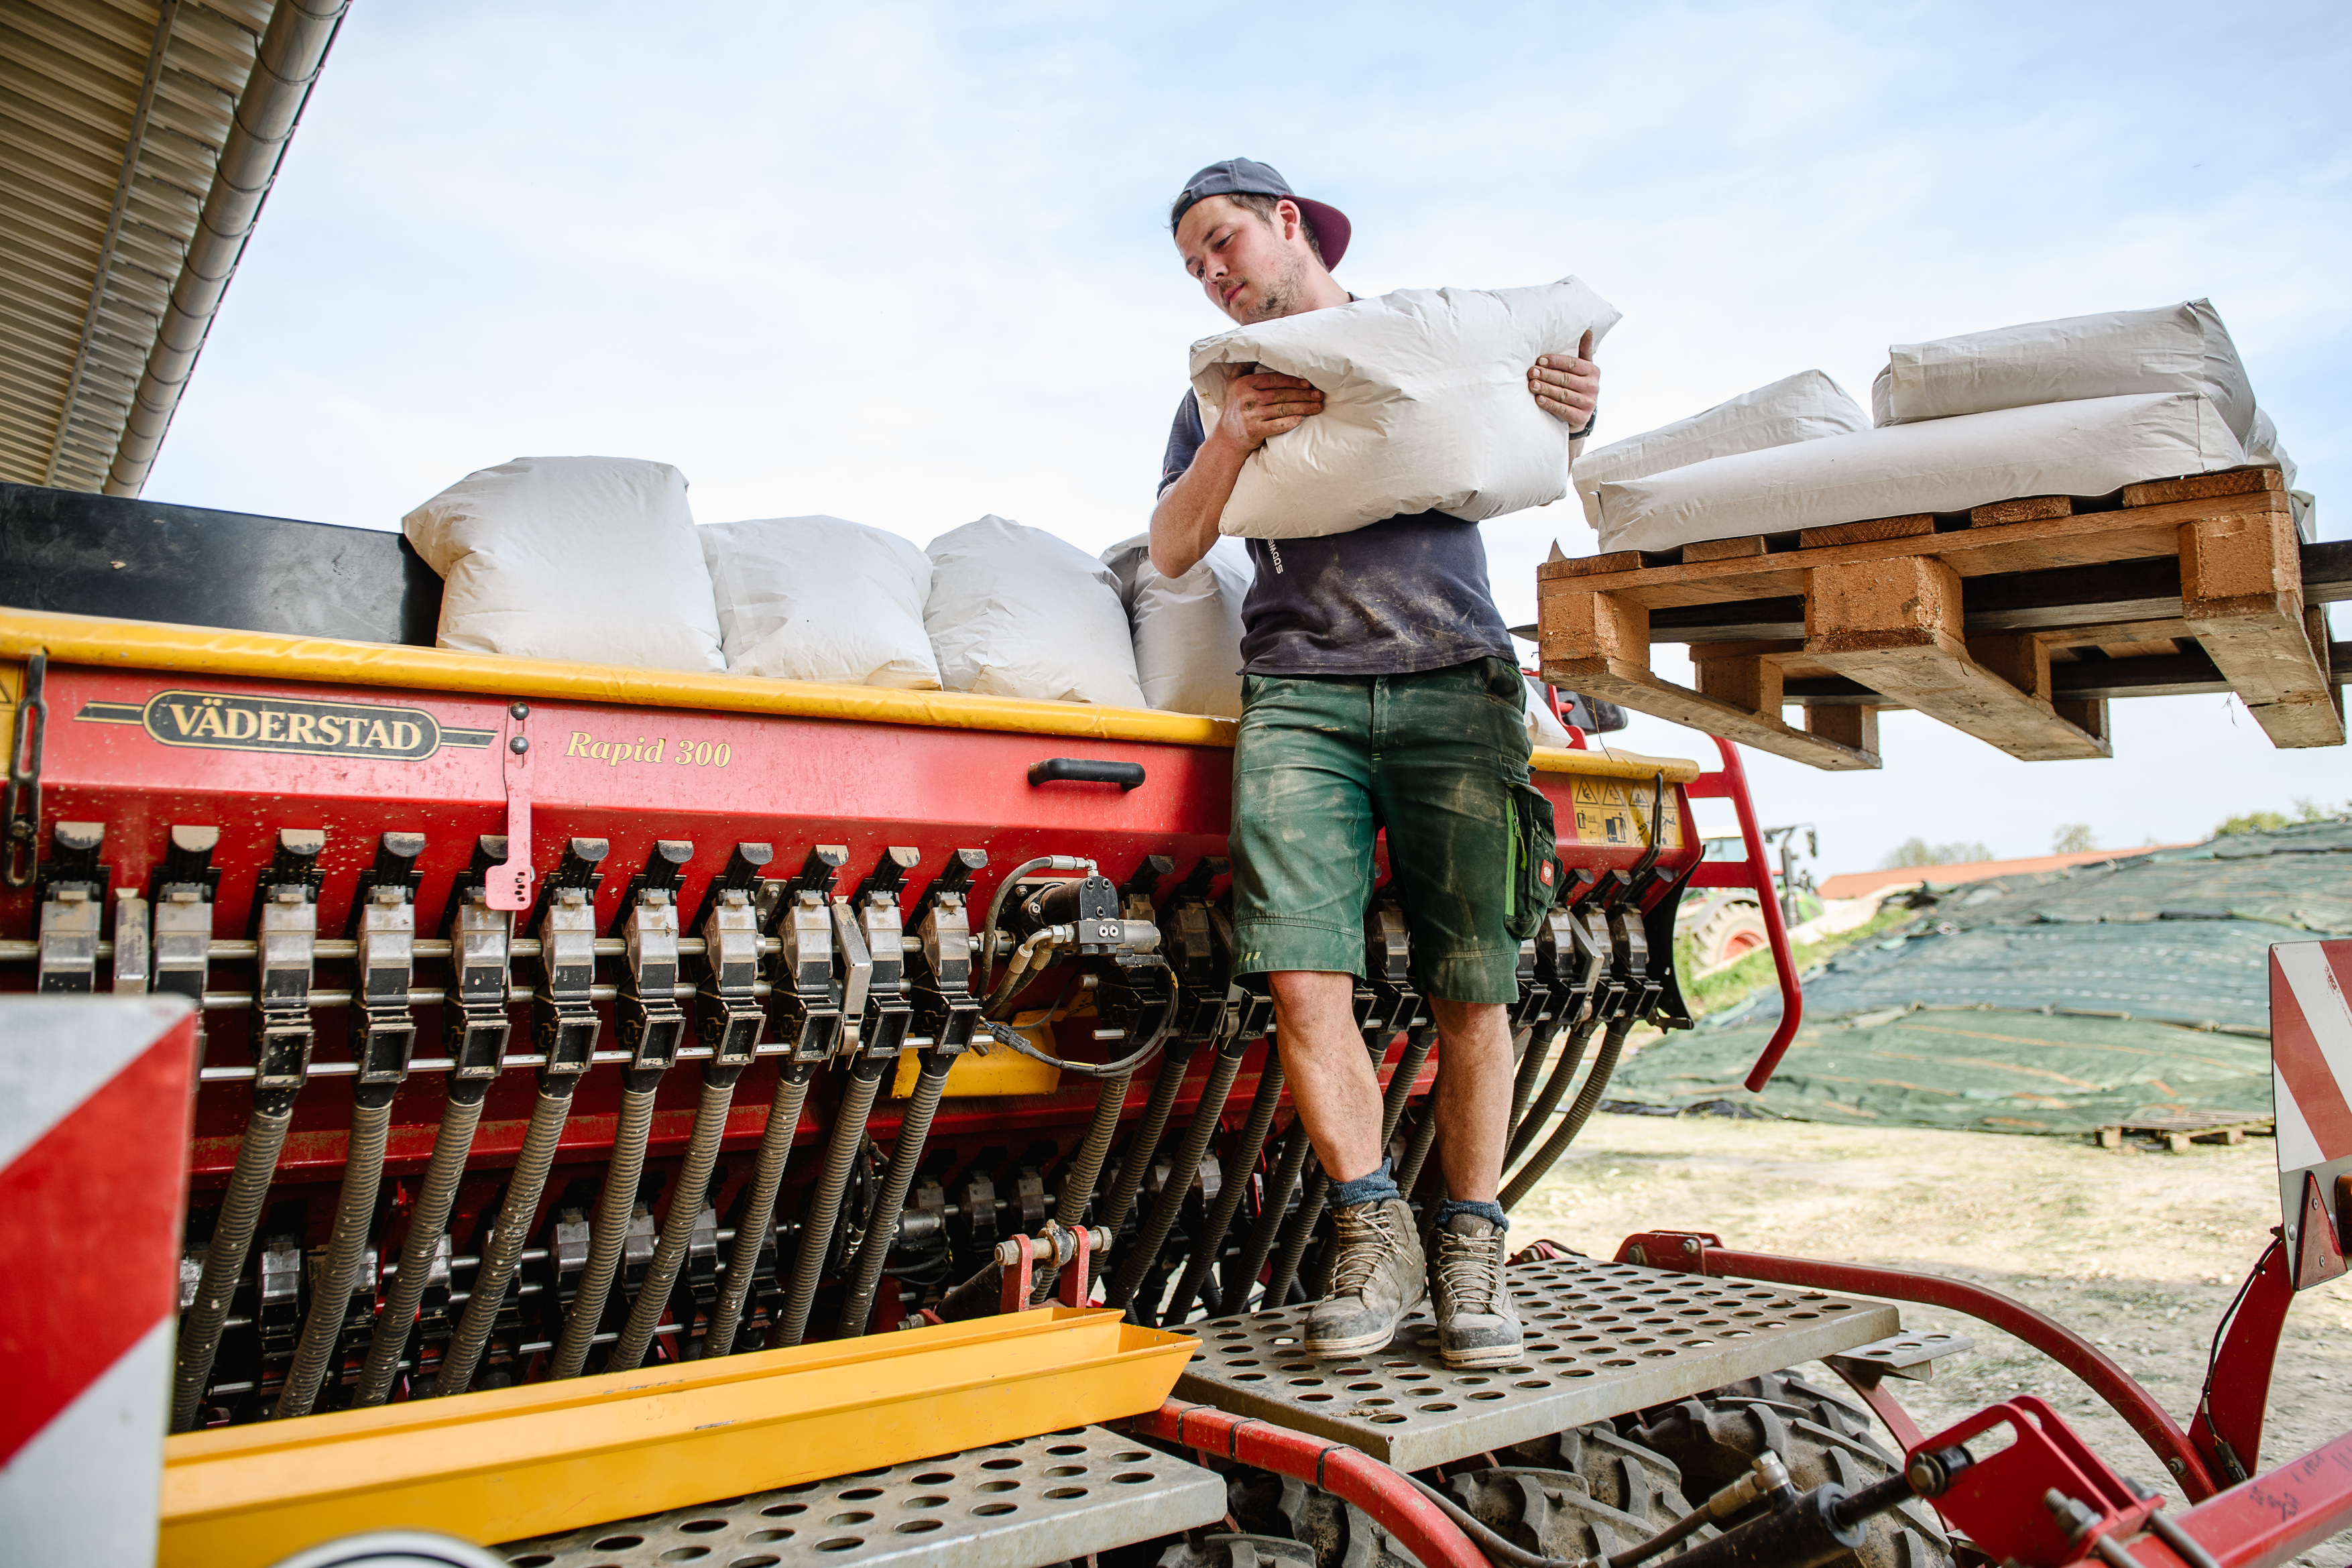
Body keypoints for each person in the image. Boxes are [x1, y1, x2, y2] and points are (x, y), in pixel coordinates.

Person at [1150, 159, 1600, 1368]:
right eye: (1194, 264)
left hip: (1458, 677)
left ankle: (1471, 1245)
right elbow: (1177, 551)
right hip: (1299, 697)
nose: (1213, 272)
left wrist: (1576, 406)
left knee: (1475, 981)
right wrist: (1229, 438)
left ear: (1286, 221)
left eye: (1223, 238)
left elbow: (1534, 442)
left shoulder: (1434, 346)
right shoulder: (1214, 393)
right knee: (1301, 974)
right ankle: (1371, 1232)